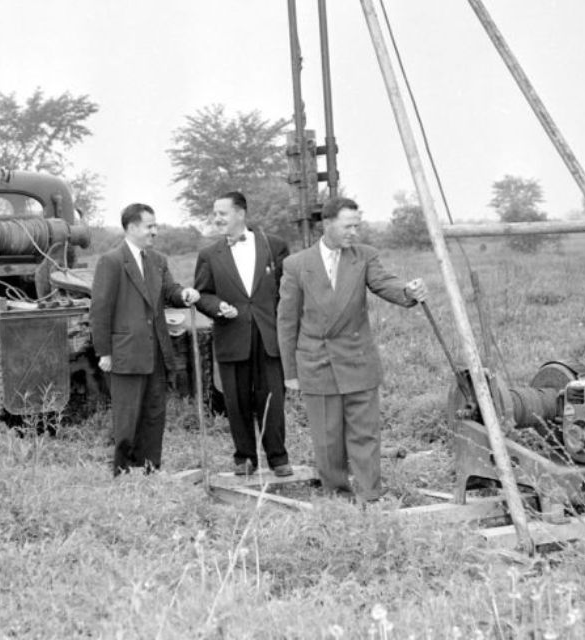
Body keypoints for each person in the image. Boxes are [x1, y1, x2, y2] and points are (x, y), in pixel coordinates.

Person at [277, 197, 428, 502]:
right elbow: (287, 321)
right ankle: (337, 496)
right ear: (327, 224)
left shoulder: (365, 257)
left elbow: (385, 283)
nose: (354, 233)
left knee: (365, 435)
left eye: (357, 226)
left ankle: (370, 496)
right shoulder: (296, 265)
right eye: (347, 226)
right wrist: (290, 373)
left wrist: (408, 291)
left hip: (358, 361)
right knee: (327, 439)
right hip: (317, 364)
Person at [90, 203, 200, 476]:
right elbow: (100, 309)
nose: (155, 231)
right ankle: (123, 470)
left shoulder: (158, 260)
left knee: (154, 413)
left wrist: (184, 294)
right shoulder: (111, 261)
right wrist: (104, 352)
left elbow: (170, 291)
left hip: (156, 351)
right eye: (150, 226)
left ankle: (150, 467)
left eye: (155, 226)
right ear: (131, 227)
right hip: (125, 352)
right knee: (127, 415)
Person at [194, 191, 292, 477]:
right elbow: (202, 294)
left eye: (222, 213)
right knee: (236, 400)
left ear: (240, 213)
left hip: (268, 335)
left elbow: (288, 290)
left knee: (272, 398)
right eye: (215, 213)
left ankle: (278, 458)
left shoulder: (274, 246)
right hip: (232, 335)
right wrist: (217, 307)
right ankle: (245, 458)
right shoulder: (209, 255)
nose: (217, 218)